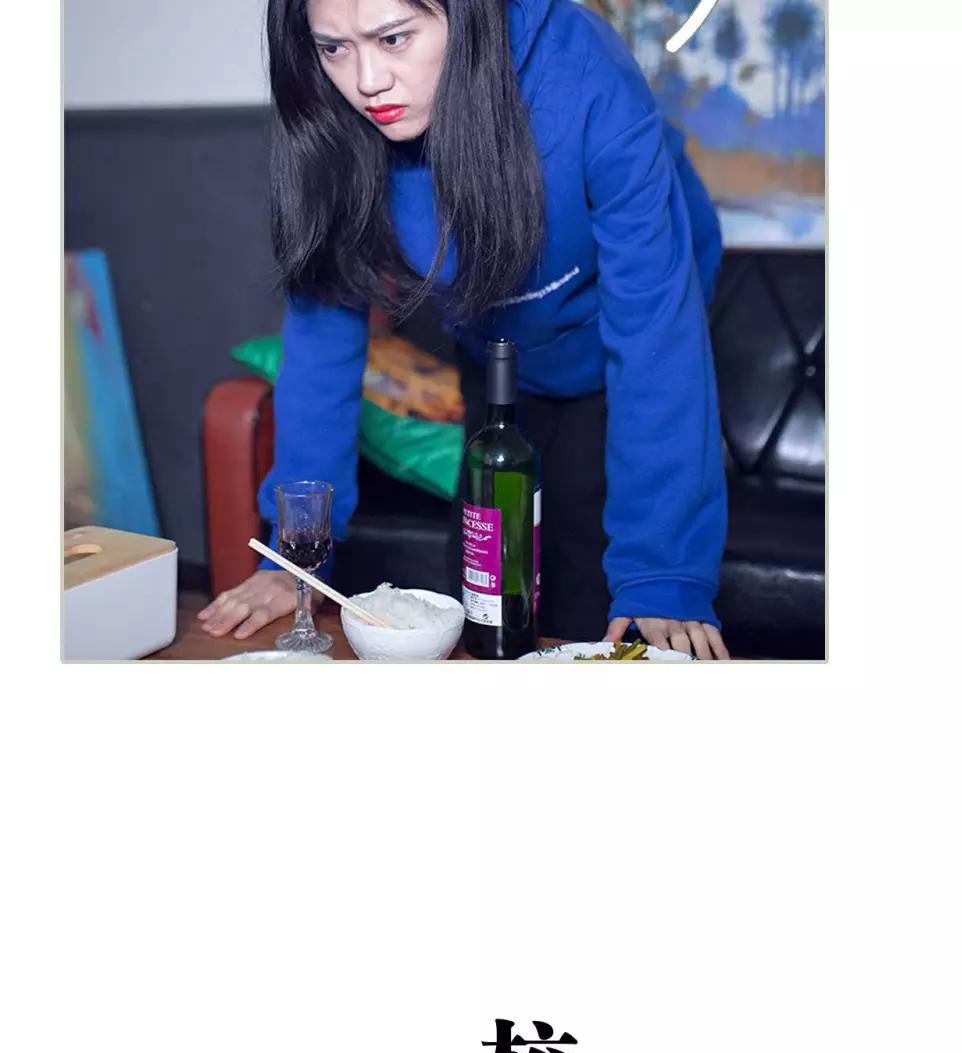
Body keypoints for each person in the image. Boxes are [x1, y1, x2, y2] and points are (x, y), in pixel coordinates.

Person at [199, 0, 730, 659]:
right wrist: (293, 564)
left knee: (592, 609)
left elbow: (657, 339)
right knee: (486, 597)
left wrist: (665, 575)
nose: (367, 81)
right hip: (497, 342)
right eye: (334, 47)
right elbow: (321, 350)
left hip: (623, 338)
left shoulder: (581, 73)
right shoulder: (336, 120)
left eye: (394, 39)